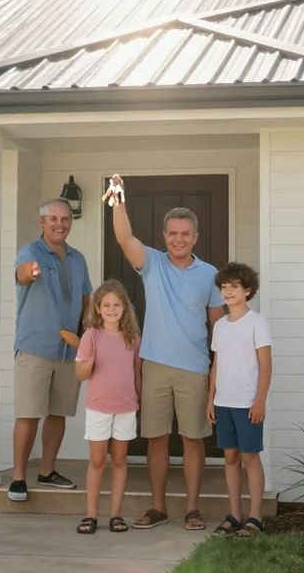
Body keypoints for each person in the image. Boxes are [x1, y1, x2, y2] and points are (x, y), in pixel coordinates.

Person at [108, 174, 224, 531]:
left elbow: (219, 329)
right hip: (155, 365)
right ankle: (157, 507)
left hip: (195, 368)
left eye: (185, 233)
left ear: (195, 237)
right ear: (164, 236)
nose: (178, 239)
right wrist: (118, 199)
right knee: (156, 439)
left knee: (193, 439)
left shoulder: (210, 275)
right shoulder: (153, 264)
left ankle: (192, 509)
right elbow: (124, 237)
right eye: (173, 233)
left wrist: (217, 374)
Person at [9, 197, 92, 502]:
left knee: (58, 413)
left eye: (65, 219)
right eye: (54, 219)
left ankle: (47, 471)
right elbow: (21, 274)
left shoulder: (78, 258)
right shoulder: (30, 252)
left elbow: (86, 299)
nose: (60, 224)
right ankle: (19, 478)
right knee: (29, 414)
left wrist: (87, 334)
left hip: (69, 351)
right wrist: (29, 272)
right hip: (35, 348)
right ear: (42, 222)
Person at [207, 262, 273, 538]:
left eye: (234, 286)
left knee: (250, 457)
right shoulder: (220, 326)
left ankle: (255, 517)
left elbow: (266, 366)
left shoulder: (257, 322)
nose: (228, 291)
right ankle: (235, 514)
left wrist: (260, 401)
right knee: (230, 457)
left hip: (247, 403)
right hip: (224, 403)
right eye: (224, 286)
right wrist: (210, 399)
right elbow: (216, 364)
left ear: (247, 290)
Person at [74, 280, 143, 534]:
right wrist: (89, 363)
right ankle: (91, 515)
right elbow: (80, 374)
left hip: (126, 407)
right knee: (97, 460)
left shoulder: (133, 338)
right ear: (98, 309)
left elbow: (136, 372)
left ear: (124, 308)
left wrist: (139, 399)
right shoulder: (91, 336)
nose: (111, 309)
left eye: (116, 305)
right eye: (106, 305)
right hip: (98, 407)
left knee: (120, 460)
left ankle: (116, 514)